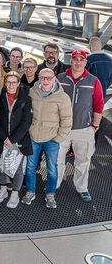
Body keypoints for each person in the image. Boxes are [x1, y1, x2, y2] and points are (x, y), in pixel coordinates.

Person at [56, 50, 103, 202]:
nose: (77, 62)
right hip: (62, 128)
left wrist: (94, 126)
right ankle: (54, 185)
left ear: (85, 62)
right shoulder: (60, 78)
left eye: (80, 60)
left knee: (83, 161)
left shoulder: (93, 81)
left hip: (84, 129)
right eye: (75, 59)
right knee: (57, 159)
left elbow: (98, 104)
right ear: (71, 61)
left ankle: (82, 188)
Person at [22, 68, 72, 209]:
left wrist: (58, 138)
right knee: (30, 166)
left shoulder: (62, 97)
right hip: (34, 137)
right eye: (43, 77)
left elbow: (67, 120)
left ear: (54, 78)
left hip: (52, 139)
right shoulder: (32, 92)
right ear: (39, 78)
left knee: (51, 168)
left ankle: (50, 193)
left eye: (48, 78)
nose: (45, 81)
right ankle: (30, 191)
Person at [0, 71, 33, 209]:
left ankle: (15, 193)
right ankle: (3, 189)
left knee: (17, 169)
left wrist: (13, 139)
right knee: (2, 166)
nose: (11, 85)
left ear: (18, 84)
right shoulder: (0, 97)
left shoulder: (25, 99)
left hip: (19, 140)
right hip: (3, 139)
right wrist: (4, 137)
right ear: (5, 83)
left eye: (14, 82)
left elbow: (26, 121)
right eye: (8, 82)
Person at [86, 36, 112, 104]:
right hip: (103, 91)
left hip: (89, 93)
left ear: (90, 46)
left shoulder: (88, 59)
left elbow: (84, 77)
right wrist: (105, 85)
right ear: (101, 46)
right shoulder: (110, 60)